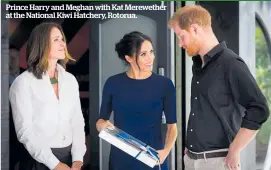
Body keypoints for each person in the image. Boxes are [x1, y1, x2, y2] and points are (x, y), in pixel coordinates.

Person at [168, 5, 270, 170]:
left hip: (217, 162)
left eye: (181, 36)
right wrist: (191, 150)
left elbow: (259, 109)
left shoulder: (230, 63)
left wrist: (235, 150)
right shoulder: (199, 65)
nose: (180, 43)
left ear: (194, 29)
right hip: (192, 159)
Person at [9, 22, 86, 170]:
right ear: (41, 44)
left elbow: (77, 122)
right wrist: (55, 164)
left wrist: (77, 159)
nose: (63, 43)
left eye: (62, 39)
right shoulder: (23, 83)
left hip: (69, 159)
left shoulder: (70, 80)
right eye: (56, 39)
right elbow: (25, 132)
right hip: (38, 161)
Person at [96, 31, 177, 170]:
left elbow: (172, 127)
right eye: (143, 54)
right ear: (129, 58)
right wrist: (102, 126)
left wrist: (165, 152)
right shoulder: (113, 83)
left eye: (151, 52)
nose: (150, 58)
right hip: (120, 161)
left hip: (153, 159)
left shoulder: (165, 85)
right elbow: (100, 121)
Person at [9, 45, 26, 170]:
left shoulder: (29, 76)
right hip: (6, 132)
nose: (12, 60)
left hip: (27, 132)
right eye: (9, 57)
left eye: (15, 57)